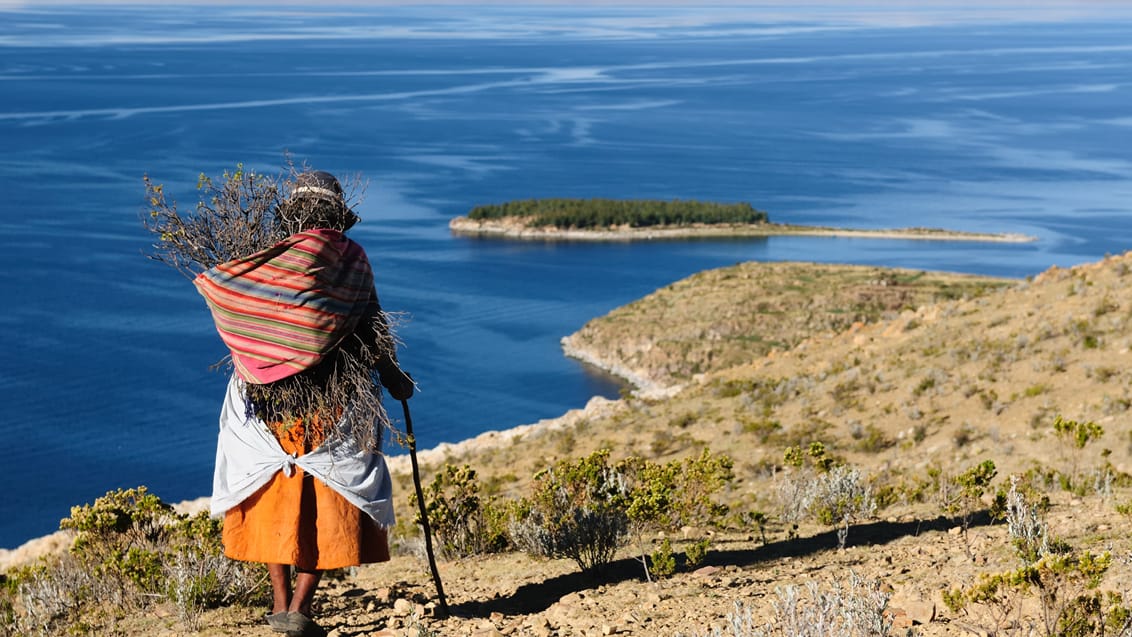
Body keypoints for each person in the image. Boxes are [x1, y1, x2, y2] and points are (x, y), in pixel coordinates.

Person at [195, 170, 413, 637]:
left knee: (276, 498)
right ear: (336, 215)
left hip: (267, 405)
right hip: (333, 404)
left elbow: (233, 305)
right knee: (327, 499)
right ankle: (299, 607)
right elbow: (372, 323)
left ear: (292, 216)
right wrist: (395, 379)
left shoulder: (264, 262)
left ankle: (279, 604)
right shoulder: (351, 258)